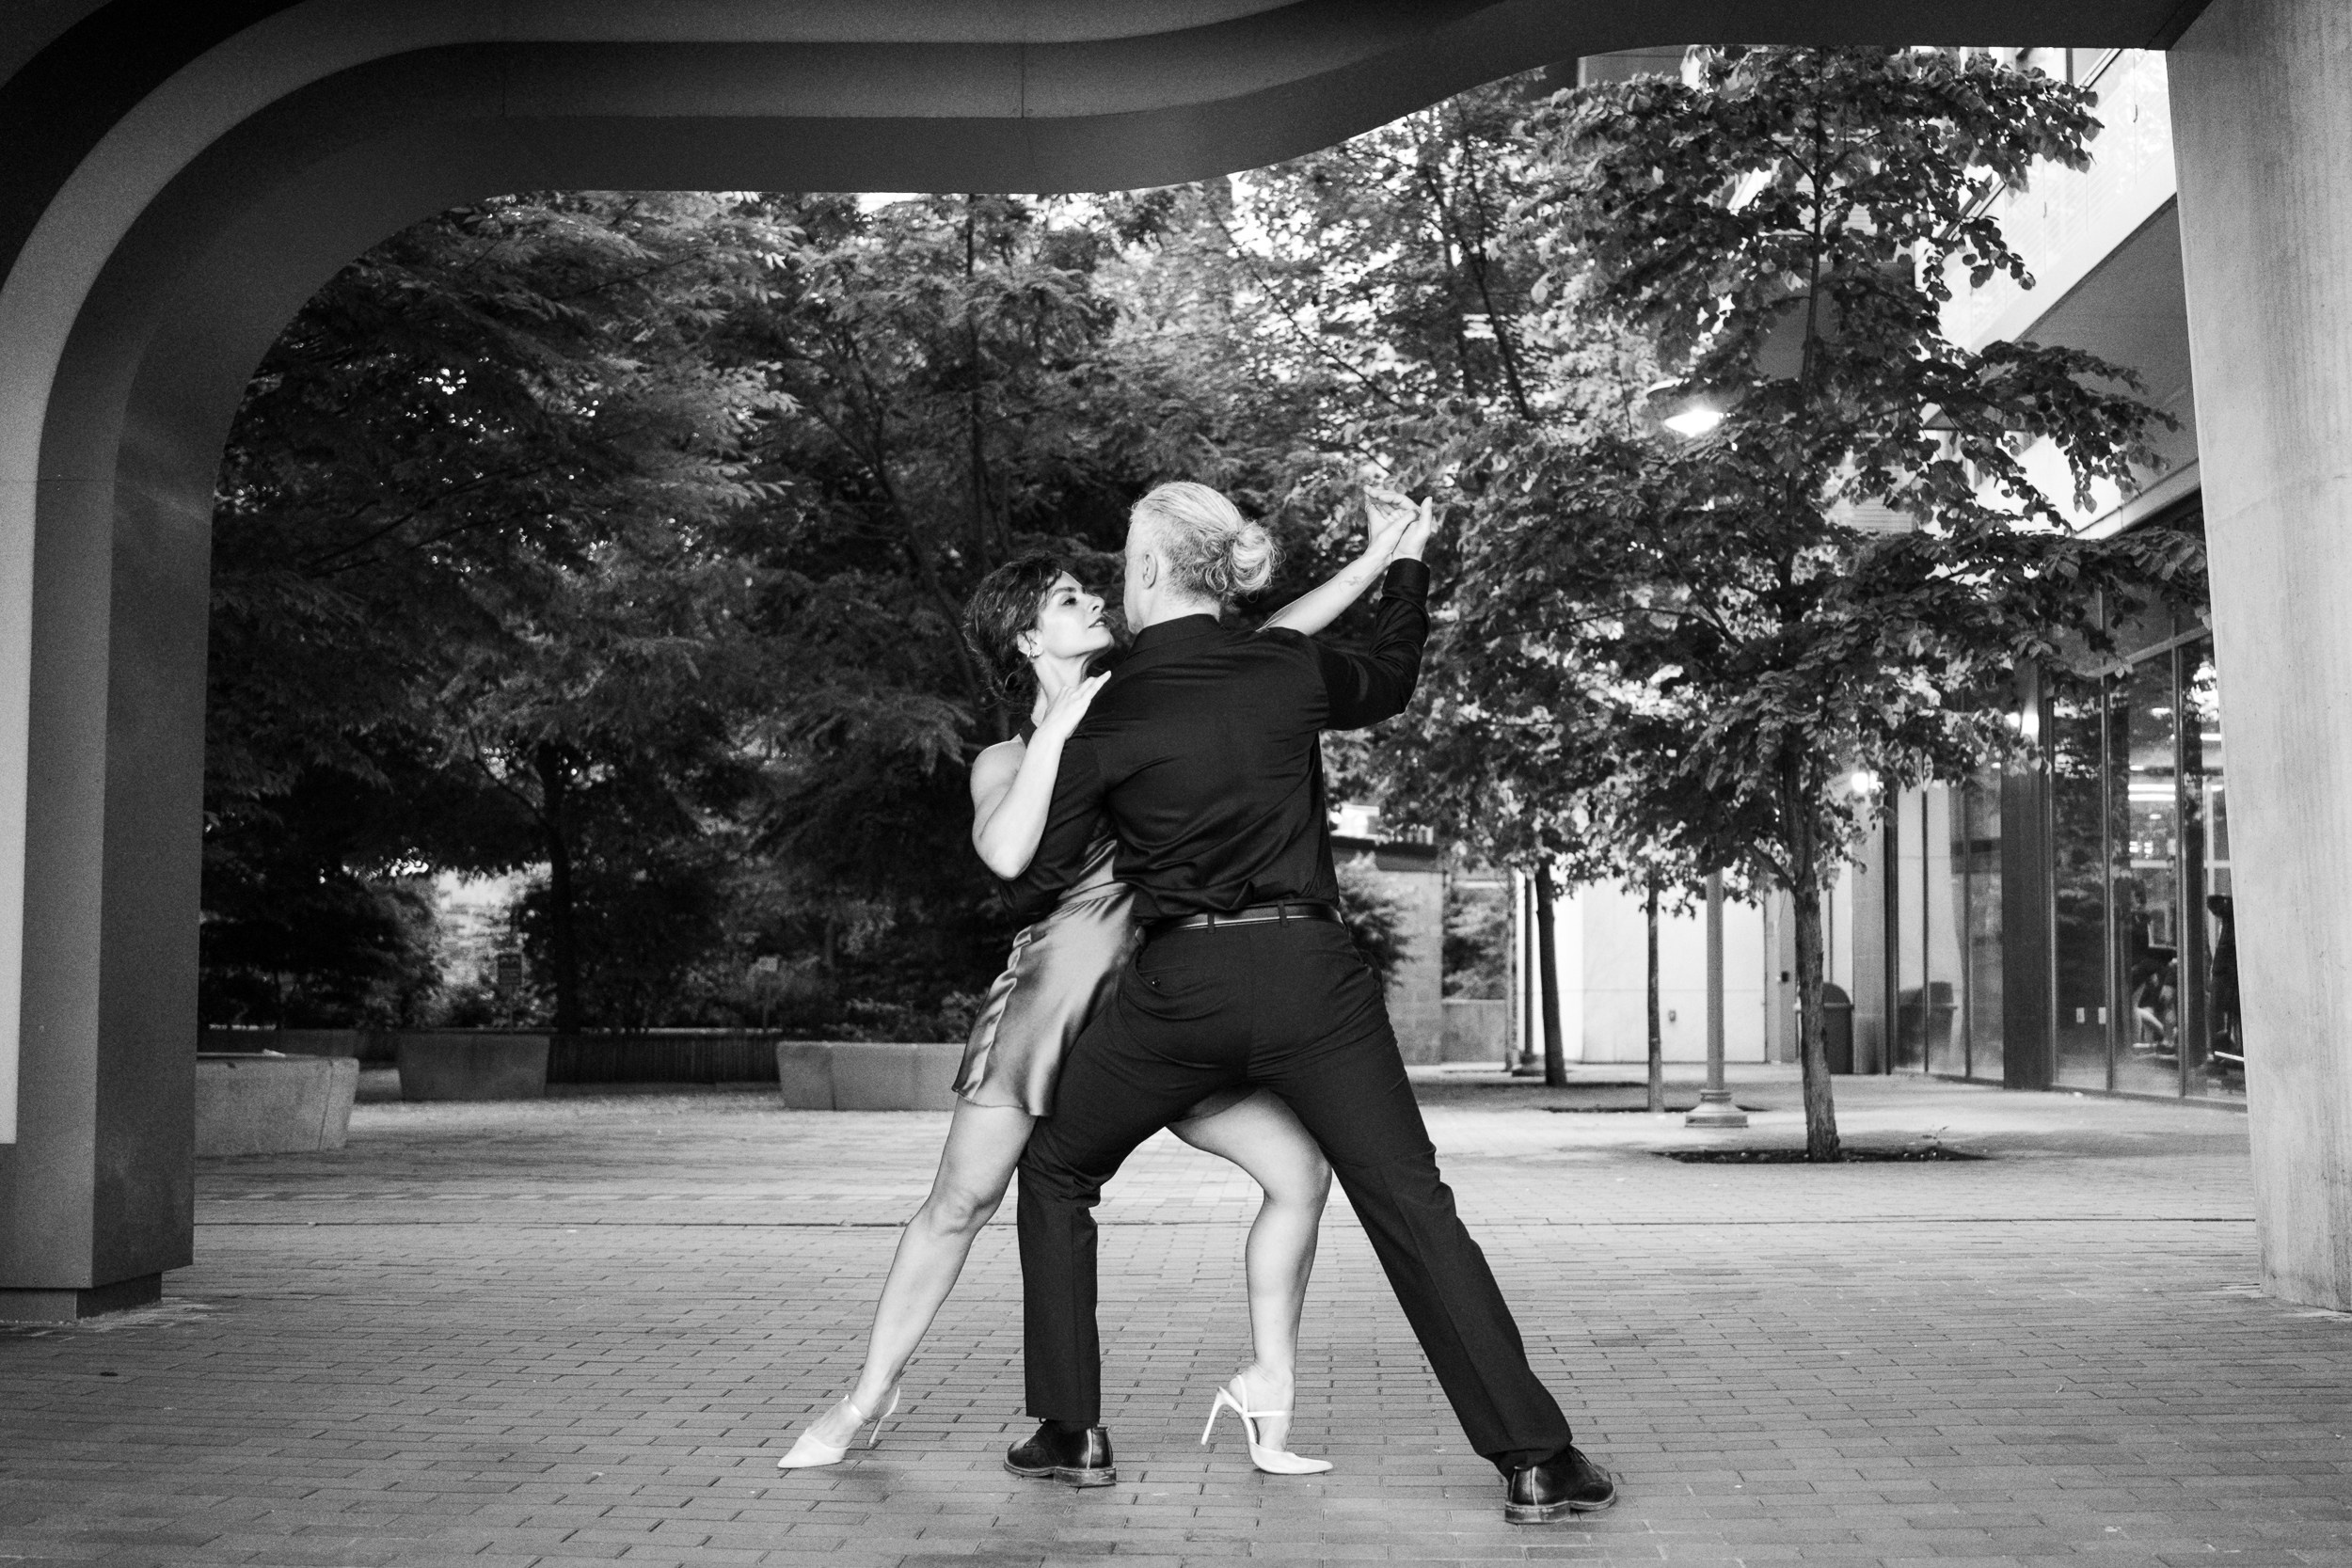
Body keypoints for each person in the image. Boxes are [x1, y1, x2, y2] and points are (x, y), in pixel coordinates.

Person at [775, 487, 1426, 1477]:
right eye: (1069, 601)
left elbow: (1277, 638)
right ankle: (868, 1394)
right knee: (961, 1200)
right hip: (1051, 997)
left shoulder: (1151, 692)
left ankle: (1264, 1388)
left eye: (1094, 588)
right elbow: (1004, 853)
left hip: (1159, 996)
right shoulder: (1006, 754)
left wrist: (1380, 555)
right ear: (1028, 643)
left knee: (1299, 1171)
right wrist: (1061, 725)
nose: (1095, 602)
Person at [1003, 481, 1616, 1524]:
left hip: (1178, 989)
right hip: (1312, 982)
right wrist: (1407, 559)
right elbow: (1389, 673)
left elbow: (1045, 866)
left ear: (1149, 571)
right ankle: (1537, 1459)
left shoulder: (1106, 705)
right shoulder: (1280, 666)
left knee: (1057, 1165)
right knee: (1411, 1204)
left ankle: (1071, 1429)